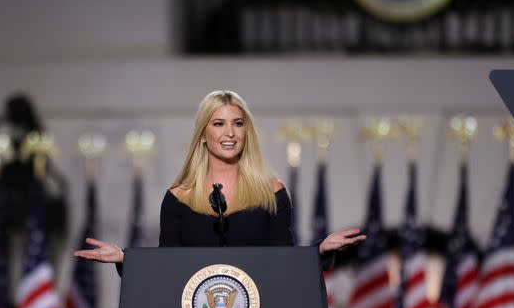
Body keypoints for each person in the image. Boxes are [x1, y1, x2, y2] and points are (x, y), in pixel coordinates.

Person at [74, 90, 365, 264]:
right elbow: (168, 266)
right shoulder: (178, 198)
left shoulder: (272, 193)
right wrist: (127, 259)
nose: (229, 133)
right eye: (219, 124)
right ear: (203, 134)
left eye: (238, 124)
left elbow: (283, 264)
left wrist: (320, 250)